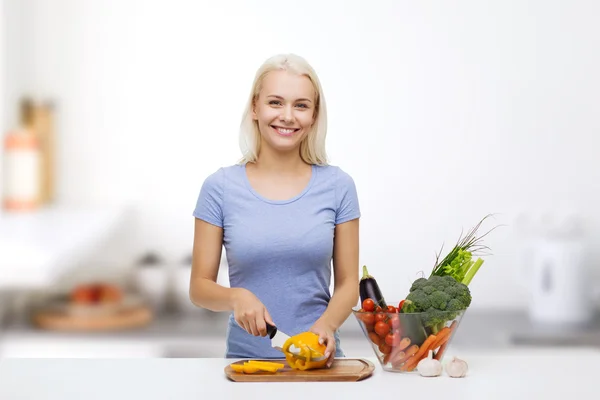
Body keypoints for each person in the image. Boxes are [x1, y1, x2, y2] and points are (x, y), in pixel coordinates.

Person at [189, 53, 360, 366]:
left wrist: (326, 326)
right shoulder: (220, 187)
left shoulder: (338, 186)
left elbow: (349, 284)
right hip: (247, 364)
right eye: (275, 102)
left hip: (322, 362)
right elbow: (199, 288)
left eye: (301, 105)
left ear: (313, 115)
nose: (288, 116)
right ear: (255, 108)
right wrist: (235, 296)